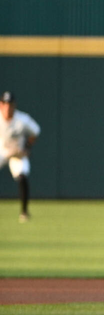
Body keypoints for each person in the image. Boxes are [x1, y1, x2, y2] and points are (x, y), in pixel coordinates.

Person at [1, 91, 40, 223]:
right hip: (2, 150)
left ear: (14, 105)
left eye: (10, 104)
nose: (8, 107)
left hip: (17, 152)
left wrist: (27, 148)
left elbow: (35, 131)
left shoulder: (22, 119)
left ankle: (24, 212)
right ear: (1, 105)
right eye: (5, 104)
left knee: (22, 175)